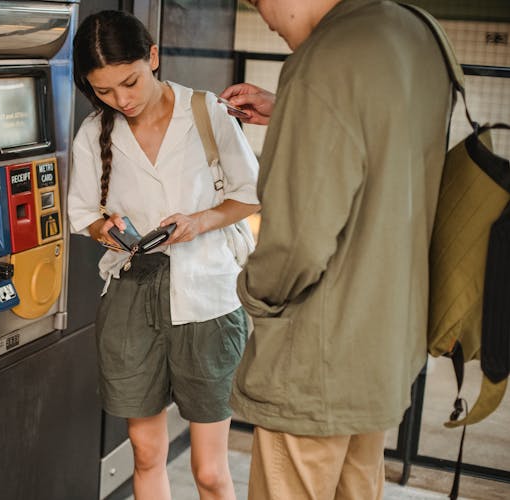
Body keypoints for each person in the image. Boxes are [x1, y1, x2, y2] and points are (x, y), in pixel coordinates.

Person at [220, 0, 453, 498]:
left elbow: (296, 244)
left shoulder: (322, 58)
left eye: (262, 4)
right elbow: (387, 139)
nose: (264, 15)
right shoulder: (416, 31)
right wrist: (292, 109)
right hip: (384, 342)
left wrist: (254, 295)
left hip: (315, 357)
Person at [68, 10, 260, 500]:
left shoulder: (207, 112)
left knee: (210, 471)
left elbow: (251, 193)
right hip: (132, 296)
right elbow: (83, 213)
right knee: (147, 453)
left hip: (208, 298)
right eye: (105, 91)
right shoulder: (95, 132)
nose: (122, 100)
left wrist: (200, 221)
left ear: (152, 56)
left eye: (129, 82)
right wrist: (104, 229)